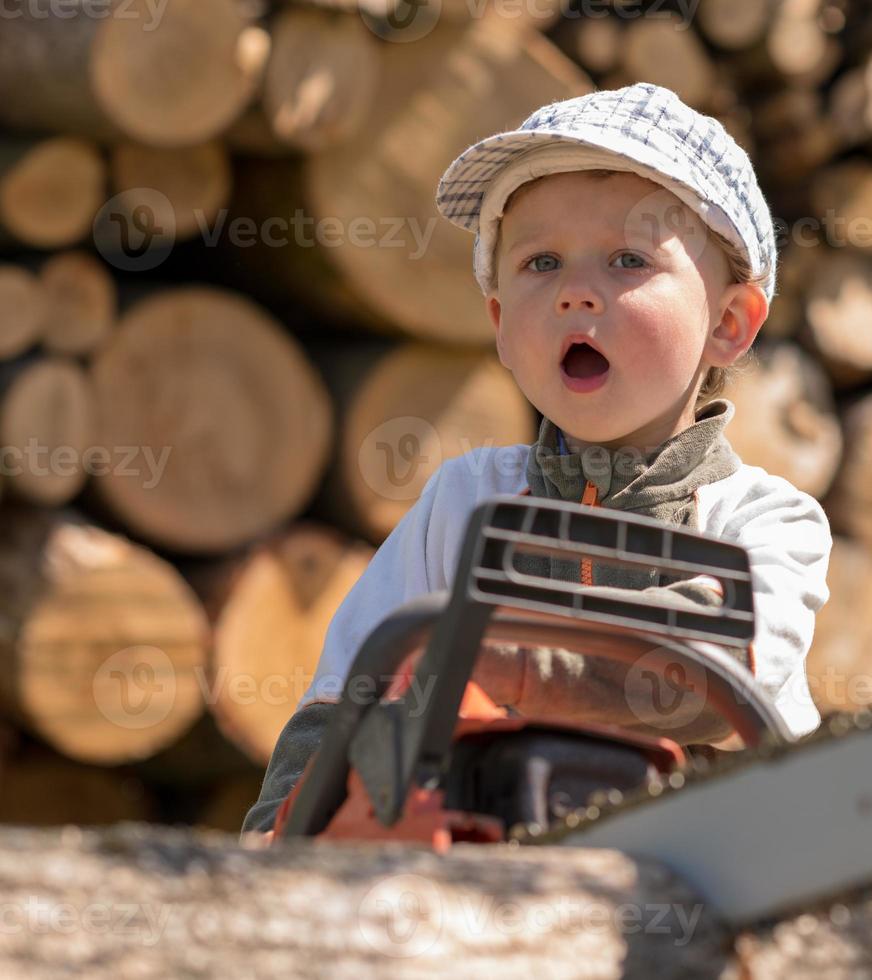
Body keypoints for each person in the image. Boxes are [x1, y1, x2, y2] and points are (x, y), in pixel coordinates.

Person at [240, 82, 833, 838]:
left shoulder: (768, 521)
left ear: (729, 321)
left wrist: (522, 665)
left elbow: (715, 676)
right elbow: (343, 698)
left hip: (725, 847)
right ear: (498, 321)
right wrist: (273, 842)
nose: (576, 294)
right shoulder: (464, 502)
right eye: (541, 262)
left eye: (627, 260)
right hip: (501, 854)